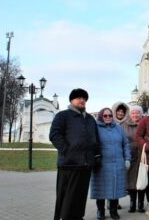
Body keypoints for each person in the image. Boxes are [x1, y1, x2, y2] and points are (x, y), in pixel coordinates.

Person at [49, 88, 101, 220]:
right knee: (67, 195)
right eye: (79, 98)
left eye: (84, 98)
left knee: (80, 195)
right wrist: (67, 151)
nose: (82, 100)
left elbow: (95, 138)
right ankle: (64, 217)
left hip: (86, 164)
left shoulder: (90, 119)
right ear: (72, 100)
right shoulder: (63, 116)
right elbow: (55, 135)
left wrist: (96, 155)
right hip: (69, 164)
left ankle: (78, 216)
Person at [90, 108, 131, 220]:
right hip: (101, 165)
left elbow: (126, 144)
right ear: (100, 116)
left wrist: (127, 159)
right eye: (105, 115)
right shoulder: (95, 128)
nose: (108, 117)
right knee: (101, 190)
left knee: (115, 188)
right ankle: (101, 211)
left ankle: (113, 211)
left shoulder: (118, 129)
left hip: (117, 164)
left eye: (110, 115)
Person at [121, 105, 146, 213]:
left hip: (143, 155)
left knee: (141, 179)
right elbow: (121, 140)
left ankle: (140, 204)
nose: (135, 115)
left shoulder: (145, 123)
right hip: (130, 155)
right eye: (133, 113)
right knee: (131, 181)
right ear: (130, 114)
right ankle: (132, 203)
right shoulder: (124, 125)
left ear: (141, 114)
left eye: (137, 113)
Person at [110, 101, 130, 210]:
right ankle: (110, 202)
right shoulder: (110, 122)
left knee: (118, 180)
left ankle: (115, 202)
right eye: (119, 111)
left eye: (122, 111)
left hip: (122, 155)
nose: (121, 113)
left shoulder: (126, 123)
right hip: (111, 156)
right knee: (111, 180)